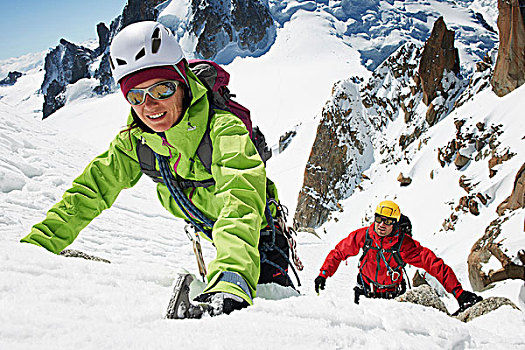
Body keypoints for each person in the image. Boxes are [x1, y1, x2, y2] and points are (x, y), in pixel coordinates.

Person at [21, 21, 289, 316]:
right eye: (136, 96)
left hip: (261, 236)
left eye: (162, 88)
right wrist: (35, 249)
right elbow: (89, 192)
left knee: (272, 308)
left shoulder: (223, 130)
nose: (150, 105)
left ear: (183, 82)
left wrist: (231, 279)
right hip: (218, 233)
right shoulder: (137, 142)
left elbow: (241, 197)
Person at [314, 200, 482, 310]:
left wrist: (459, 293)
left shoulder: (404, 245)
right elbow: (339, 252)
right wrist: (323, 274)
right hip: (365, 294)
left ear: (394, 223)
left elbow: (435, 265)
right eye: (379, 219)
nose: (381, 224)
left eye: (387, 221)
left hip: (393, 298)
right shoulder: (364, 236)